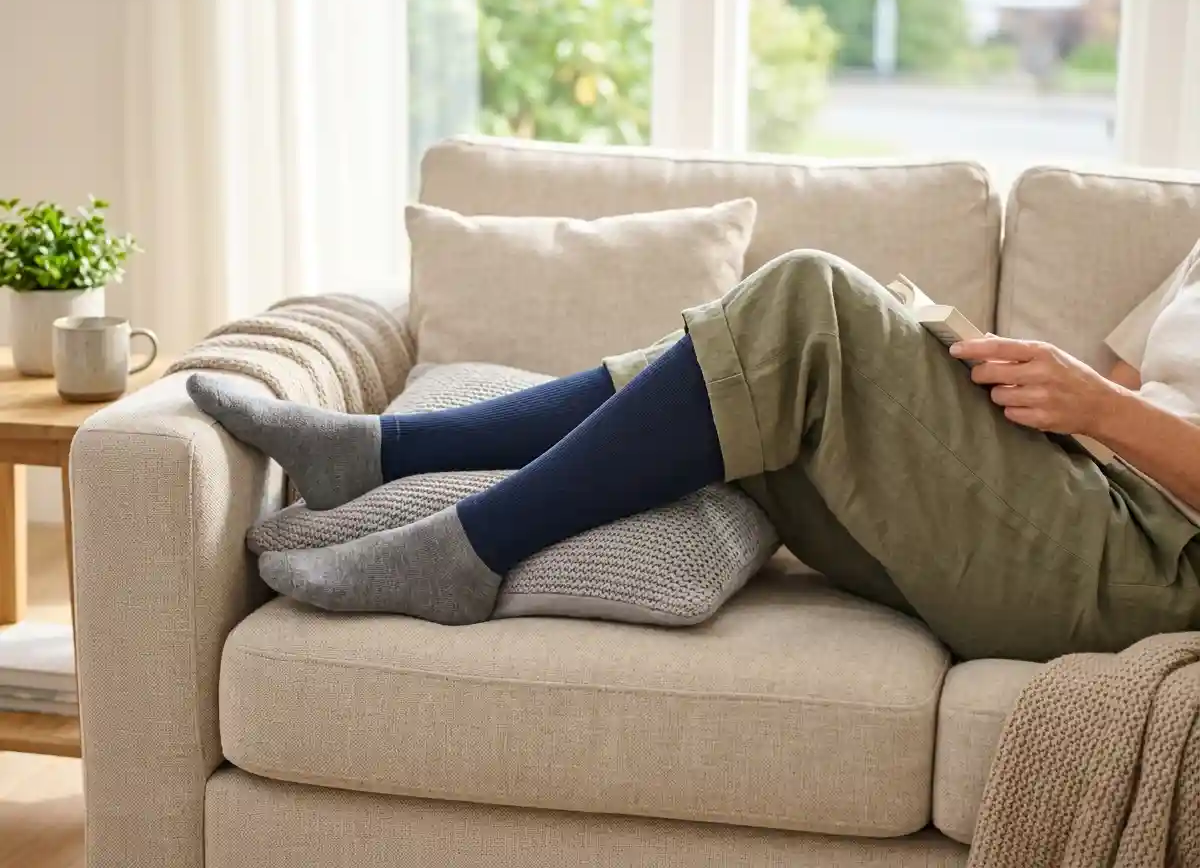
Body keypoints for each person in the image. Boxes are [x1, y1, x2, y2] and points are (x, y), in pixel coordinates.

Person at [186, 248, 1200, 662]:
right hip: (1082, 492)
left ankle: (464, 549)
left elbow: (1113, 401)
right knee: (742, 369)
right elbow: (1115, 379)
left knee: (806, 301)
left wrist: (1099, 406)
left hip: (1149, 571)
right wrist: (995, 383)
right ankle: (377, 450)